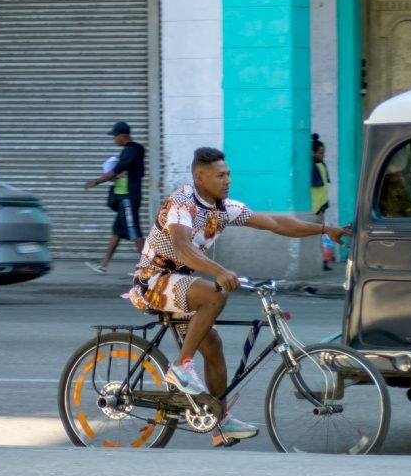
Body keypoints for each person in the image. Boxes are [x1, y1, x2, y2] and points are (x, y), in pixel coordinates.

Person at [125, 147, 351, 447]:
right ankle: (180, 367)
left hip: (179, 286)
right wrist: (218, 271)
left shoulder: (223, 209)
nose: (227, 179)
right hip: (152, 281)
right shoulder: (182, 203)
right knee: (214, 296)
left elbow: (276, 223)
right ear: (199, 177)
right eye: (220, 175)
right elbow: (181, 246)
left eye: (228, 174)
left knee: (214, 346)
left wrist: (324, 229)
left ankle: (219, 423)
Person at [83, 121, 145, 274]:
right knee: (117, 231)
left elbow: (116, 171)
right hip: (125, 198)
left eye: (115, 136)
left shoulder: (130, 150)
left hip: (129, 197)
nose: (113, 140)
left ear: (123, 136)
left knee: (134, 231)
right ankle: (103, 264)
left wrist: (96, 181)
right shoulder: (131, 150)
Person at [311, 133, 334, 270]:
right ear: (312, 153)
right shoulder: (310, 167)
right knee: (317, 233)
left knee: (321, 233)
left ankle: (323, 260)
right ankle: (320, 260)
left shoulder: (322, 165)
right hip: (314, 205)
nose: (323, 155)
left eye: (323, 153)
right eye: (320, 153)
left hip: (321, 204)